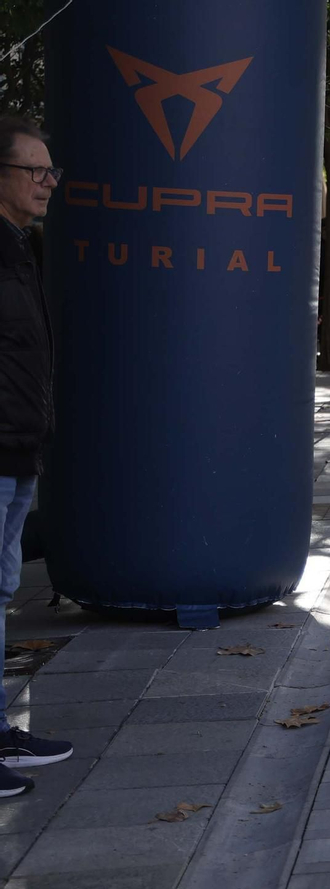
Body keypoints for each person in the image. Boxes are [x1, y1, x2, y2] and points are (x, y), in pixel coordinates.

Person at [0, 116, 75, 798]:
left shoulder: (23, 247)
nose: (50, 181)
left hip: (19, 446)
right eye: (36, 170)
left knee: (0, 594)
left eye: (52, 170)